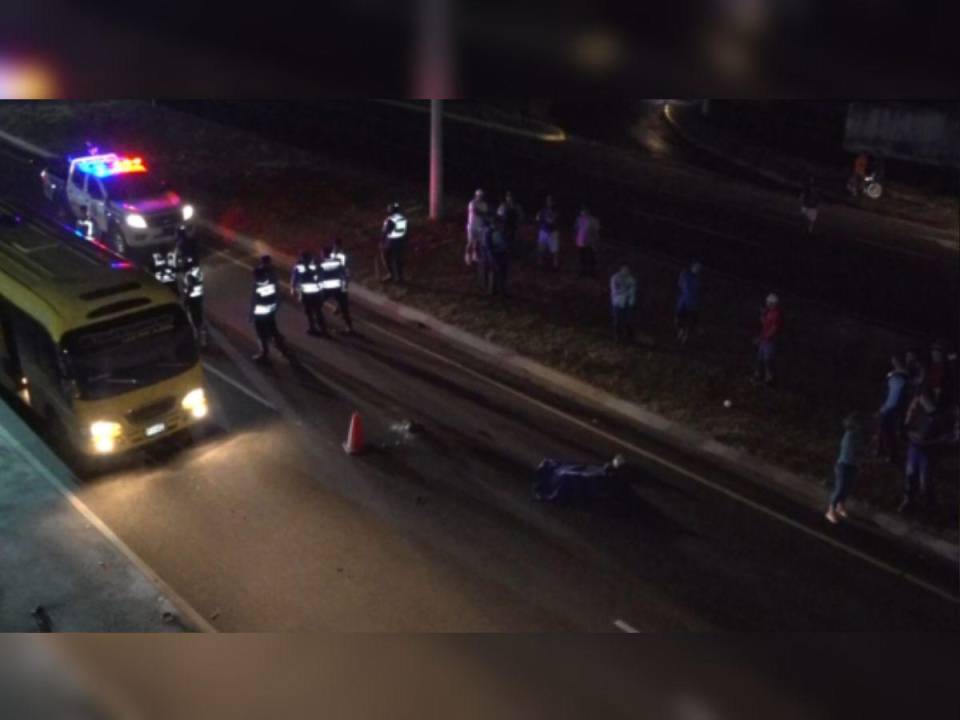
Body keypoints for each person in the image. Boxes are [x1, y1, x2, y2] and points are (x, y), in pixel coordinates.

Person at [899, 392, 951, 514]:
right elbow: (908, 421)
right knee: (911, 474)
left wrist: (940, 440)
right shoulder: (918, 403)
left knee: (925, 480)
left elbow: (949, 435)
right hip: (915, 445)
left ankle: (931, 504)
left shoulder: (942, 414)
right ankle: (909, 500)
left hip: (929, 449)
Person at [825, 413, 863, 524]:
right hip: (843, 465)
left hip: (853, 465)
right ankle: (830, 510)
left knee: (848, 488)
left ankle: (840, 506)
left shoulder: (858, 435)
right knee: (840, 488)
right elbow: (852, 452)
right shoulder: (849, 435)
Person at [250, 255, 288, 363]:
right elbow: (276, 295)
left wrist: (251, 315)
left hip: (260, 314)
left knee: (261, 334)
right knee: (273, 329)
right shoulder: (270, 282)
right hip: (270, 310)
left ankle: (264, 353)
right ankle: (281, 347)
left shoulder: (257, 286)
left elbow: (254, 302)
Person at [876, 354, 909, 465]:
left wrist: (895, 372)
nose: (894, 363)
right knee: (882, 429)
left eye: (896, 361)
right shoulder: (892, 374)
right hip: (887, 404)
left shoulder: (904, 374)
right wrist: (883, 404)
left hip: (895, 406)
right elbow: (887, 388)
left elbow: (907, 376)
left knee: (887, 430)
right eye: (893, 361)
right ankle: (881, 451)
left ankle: (893, 455)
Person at [289, 250, 327, 336]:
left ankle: (316, 328)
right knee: (314, 312)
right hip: (314, 293)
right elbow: (295, 279)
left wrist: (293, 289)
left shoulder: (300, 266)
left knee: (312, 312)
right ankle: (319, 329)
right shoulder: (314, 266)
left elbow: (294, 279)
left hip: (308, 293)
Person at [320, 246, 354, 333]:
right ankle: (349, 327)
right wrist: (344, 287)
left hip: (326, 289)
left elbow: (319, 278)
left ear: (323, 254)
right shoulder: (338, 263)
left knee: (317, 305)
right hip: (338, 288)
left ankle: (321, 324)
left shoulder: (321, 265)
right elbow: (344, 275)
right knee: (344, 309)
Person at [753, 293, 783, 385]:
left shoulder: (776, 315)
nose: (767, 304)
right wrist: (762, 316)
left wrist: (760, 338)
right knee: (760, 359)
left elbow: (773, 330)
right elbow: (765, 324)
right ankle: (759, 376)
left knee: (767, 360)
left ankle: (770, 379)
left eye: (769, 303)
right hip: (765, 340)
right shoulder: (769, 312)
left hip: (770, 341)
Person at [179, 253, 207, 348]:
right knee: (200, 319)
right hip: (199, 298)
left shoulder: (189, 275)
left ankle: (197, 339)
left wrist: (185, 300)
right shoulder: (199, 272)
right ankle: (203, 340)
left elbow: (190, 287)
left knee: (193, 320)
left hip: (191, 300)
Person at [675, 261, 701, 345]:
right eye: (696, 267)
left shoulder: (697, 279)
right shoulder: (686, 275)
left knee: (689, 323)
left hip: (692, 304)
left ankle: (684, 339)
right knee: (678, 320)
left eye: (698, 268)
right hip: (684, 302)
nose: (697, 269)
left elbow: (696, 292)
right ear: (692, 267)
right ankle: (681, 333)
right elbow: (680, 283)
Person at [381, 202, 408, 283]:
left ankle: (391, 274)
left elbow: (385, 231)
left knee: (386, 257)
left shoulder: (389, 219)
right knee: (398, 259)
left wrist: (381, 241)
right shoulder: (403, 218)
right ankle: (400, 277)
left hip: (391, 242)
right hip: (401, 241)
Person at [610, 265, 636, 344]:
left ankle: (629, 337)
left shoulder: (631, 280)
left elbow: (632, 292)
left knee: (628, 320)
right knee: (617, 320)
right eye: (624, 270)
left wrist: (631, 303)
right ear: (621, 270)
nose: (625, 272)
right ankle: (617, 337)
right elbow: (614, 290)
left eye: (627, 271)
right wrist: (624, 291)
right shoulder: (615, 278)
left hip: (627, 304)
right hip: (617, 303)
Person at [488, 215, 510, 296]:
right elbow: (489, 246)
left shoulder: (502, 231)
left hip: (502, 254)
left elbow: (506, 242)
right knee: (494, 273)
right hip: (495, 255)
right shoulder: (489, 232)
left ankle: (503, 290)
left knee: (503, 273)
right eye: (497, 223)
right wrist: (492, 256)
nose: (499, 225)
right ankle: (493, 290)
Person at [574, 206, 599, 277]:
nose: (583, 212)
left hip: (590, 241)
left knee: (591, 257)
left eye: (584, 211)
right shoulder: (578, 219)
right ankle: (583, 271)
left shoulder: (593, 220)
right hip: (580, 241)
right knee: (582, 257)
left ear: (588, 211)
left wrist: (595, 242)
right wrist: (576, 239)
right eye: (582, 211)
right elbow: (576, 229)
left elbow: (596, 231)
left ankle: (592, 272)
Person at [535, 195, 560, 269]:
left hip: (553, 232)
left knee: (555, 250)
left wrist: (550, 220)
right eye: (548, 200)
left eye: (550, 200)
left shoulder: (556, 210)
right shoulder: (543, 210)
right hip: (543, 231)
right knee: (541, 249)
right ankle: (540, 264)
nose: (549, 202)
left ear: (553, 202)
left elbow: (554, 220)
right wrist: (540, 220)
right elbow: (537, 219)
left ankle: (555, 265)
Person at [465, 189, 488, 266]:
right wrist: (482, 213)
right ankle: (467, 257)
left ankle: (475, 256)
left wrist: (482, 213)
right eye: (478, 195)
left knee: (477, 242)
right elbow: (475, 211)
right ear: (476, 195)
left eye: (481, 196)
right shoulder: (472, 203)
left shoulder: (484, 204)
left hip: (480, 226)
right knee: (470, 242)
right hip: (471, 226)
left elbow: (484, 213)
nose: (480, 197)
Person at [496, 191, 523, 258]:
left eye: (510, 196)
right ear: (506, 198)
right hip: (504, 227)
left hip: (513, 227)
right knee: (504, 242)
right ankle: (504, 255)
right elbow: (498, 216)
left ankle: (512, 256)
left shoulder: (517, 206)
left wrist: (518, 223)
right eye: (508, 196)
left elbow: (521, 216)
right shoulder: (503, 206)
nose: (509, 198)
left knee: (513, 242)